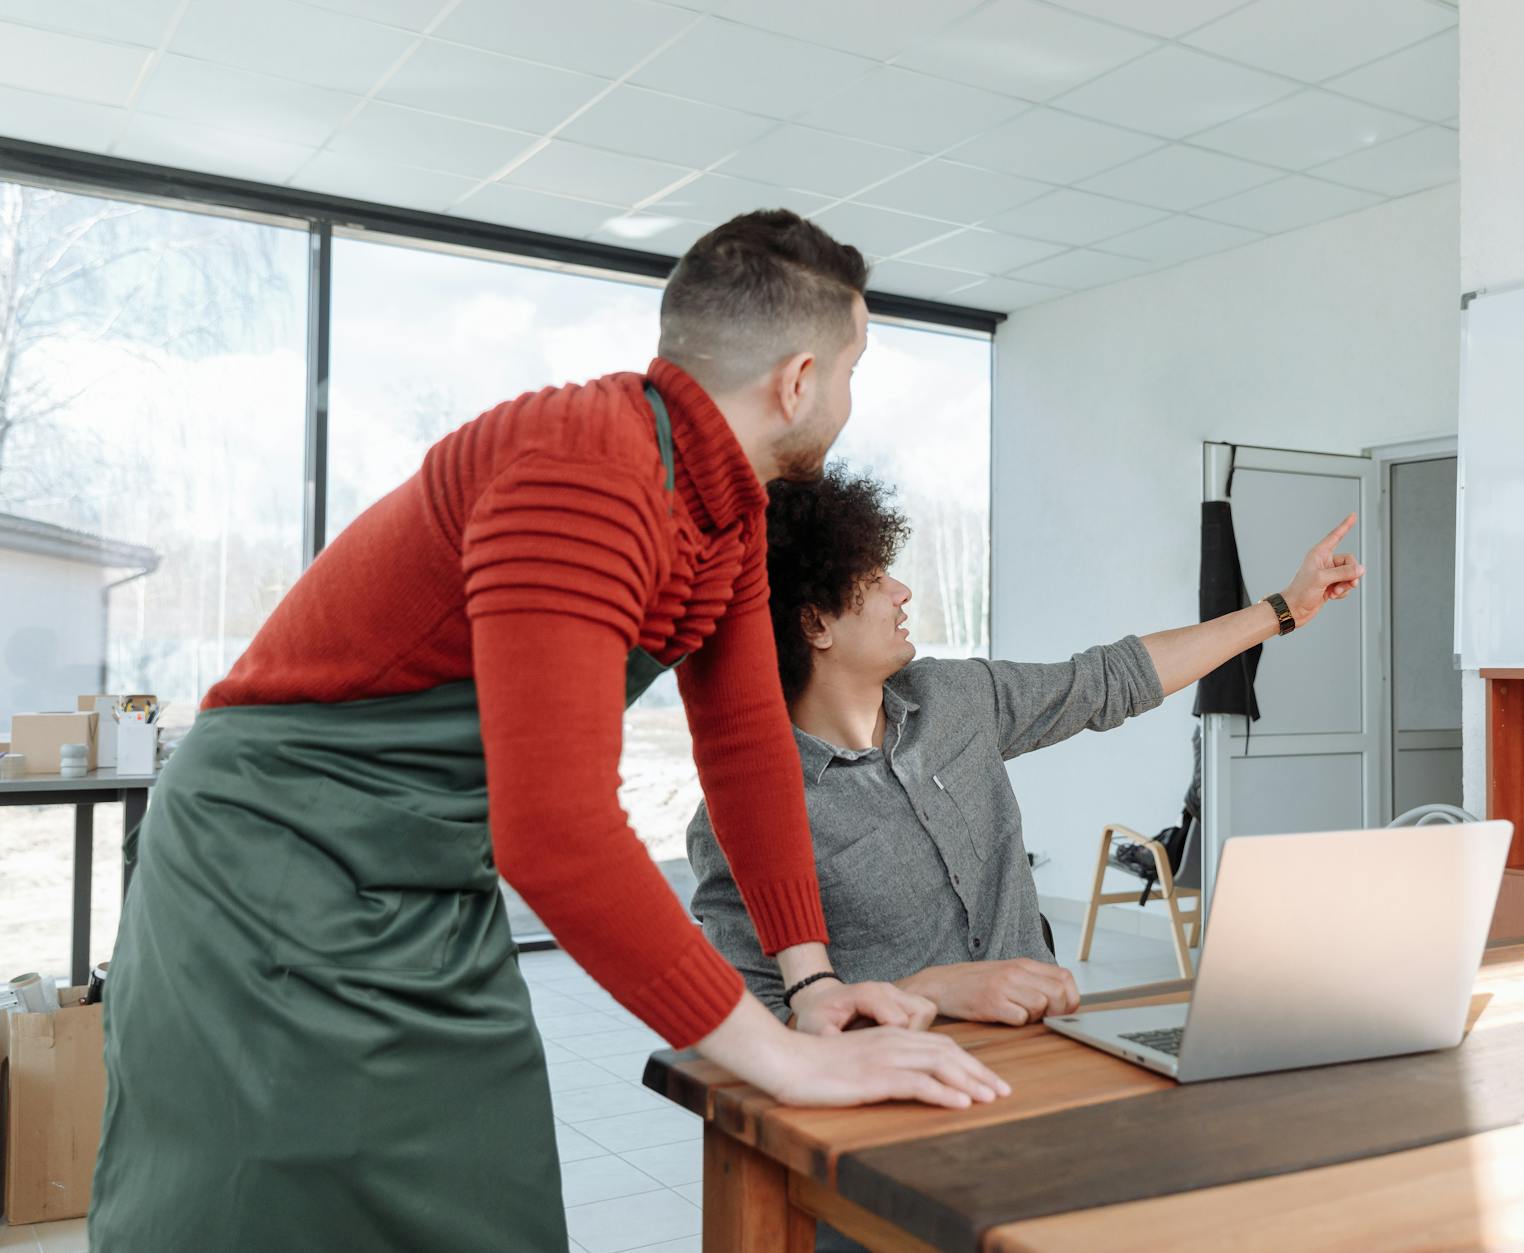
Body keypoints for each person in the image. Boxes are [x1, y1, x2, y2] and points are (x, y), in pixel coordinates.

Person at [89, 212, 1006, 1253]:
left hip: (427, 878)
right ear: (799, 380)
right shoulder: (586, 466)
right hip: (268, 869)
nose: (846, 397)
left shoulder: (727, 514)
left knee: (485, 1197)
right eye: (852, 368)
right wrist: (780, 1059)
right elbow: (559, 829)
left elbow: (747, 747)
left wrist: (811, 984)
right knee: (264, 1208)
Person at [687, 467, 1363, 1026]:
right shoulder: (743, 818)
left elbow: (1110, 678)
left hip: (1044, 1048)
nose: (902, 590)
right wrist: (927, 990)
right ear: (813, 623)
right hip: (895, 1099)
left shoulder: (955, 697)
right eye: (872, 577)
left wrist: (1283, 609)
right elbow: (757, 1025)